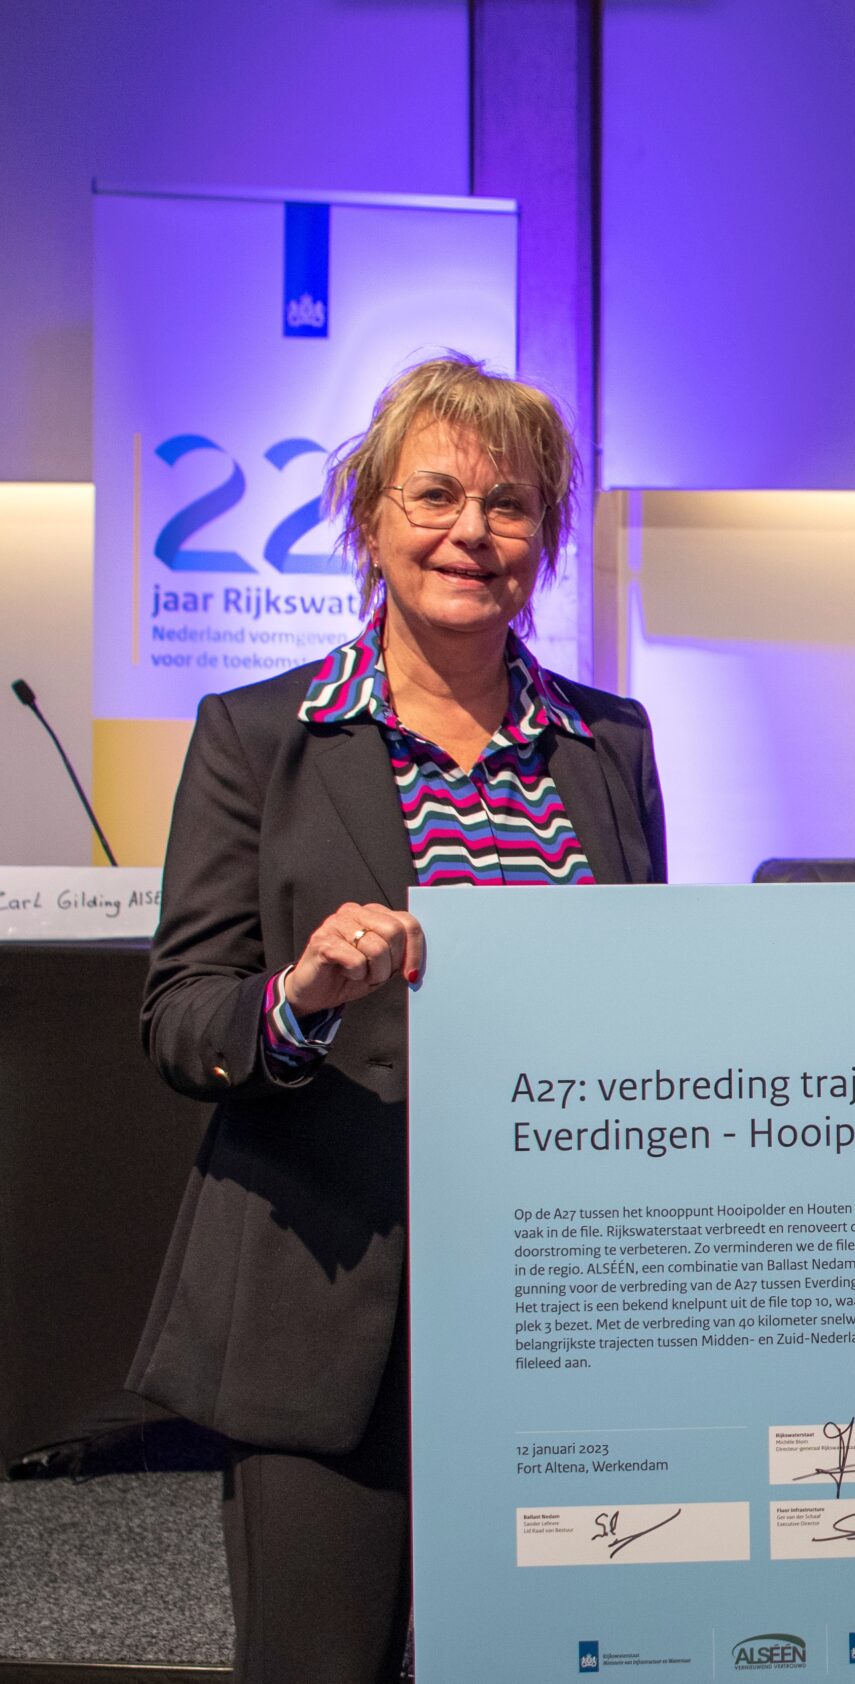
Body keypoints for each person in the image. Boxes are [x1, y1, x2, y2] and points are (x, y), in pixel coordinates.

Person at [130, 355, 668, 1684]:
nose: (470, 533)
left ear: (545, 540)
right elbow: (180, 1015)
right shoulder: (263, 736)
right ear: (368, 519)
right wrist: (300, 999)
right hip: (329, 1307)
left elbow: (651, 995)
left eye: (511, 504)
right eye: (433, 495)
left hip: (563, 1312)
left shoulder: (610, 742)